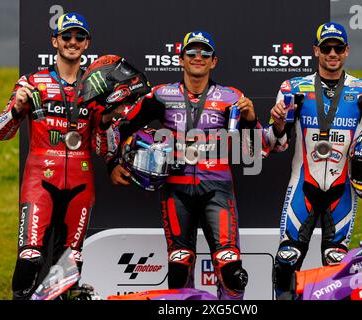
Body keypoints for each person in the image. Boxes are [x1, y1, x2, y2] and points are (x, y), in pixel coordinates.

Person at [263, 22, 362, 299]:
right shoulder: (293, 88)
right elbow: (276, 144)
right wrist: (276, 125)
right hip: (303, 184)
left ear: (347, 51)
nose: (332, 53)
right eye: (326, 48)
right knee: (286, 260)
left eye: (338, 48)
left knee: (337, 267)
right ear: (316, 51)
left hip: (343, 188)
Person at [105, 31, 260, 300]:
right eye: (191, 53)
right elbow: (121, 126)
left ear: (214, 61)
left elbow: (256, 148)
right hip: (175, 190)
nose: (198, 57)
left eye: (204, 53)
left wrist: (250, 118)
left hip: (217, 190)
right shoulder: (161, 95)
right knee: (178, 269)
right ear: (181, 59)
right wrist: (112, 163)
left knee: (232, 271)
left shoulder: (232, 97)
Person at [0, 12, 116, 300]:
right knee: (30, 259)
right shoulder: (32, 82)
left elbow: (102, 148)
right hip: (40, 180)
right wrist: (15, 109)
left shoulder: (96, 88)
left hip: (81, 184)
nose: (72, 42)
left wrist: (108, 119)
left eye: (78, 37)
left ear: (87, 44)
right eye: (66, 36)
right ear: (54, 41)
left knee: (67, 269)